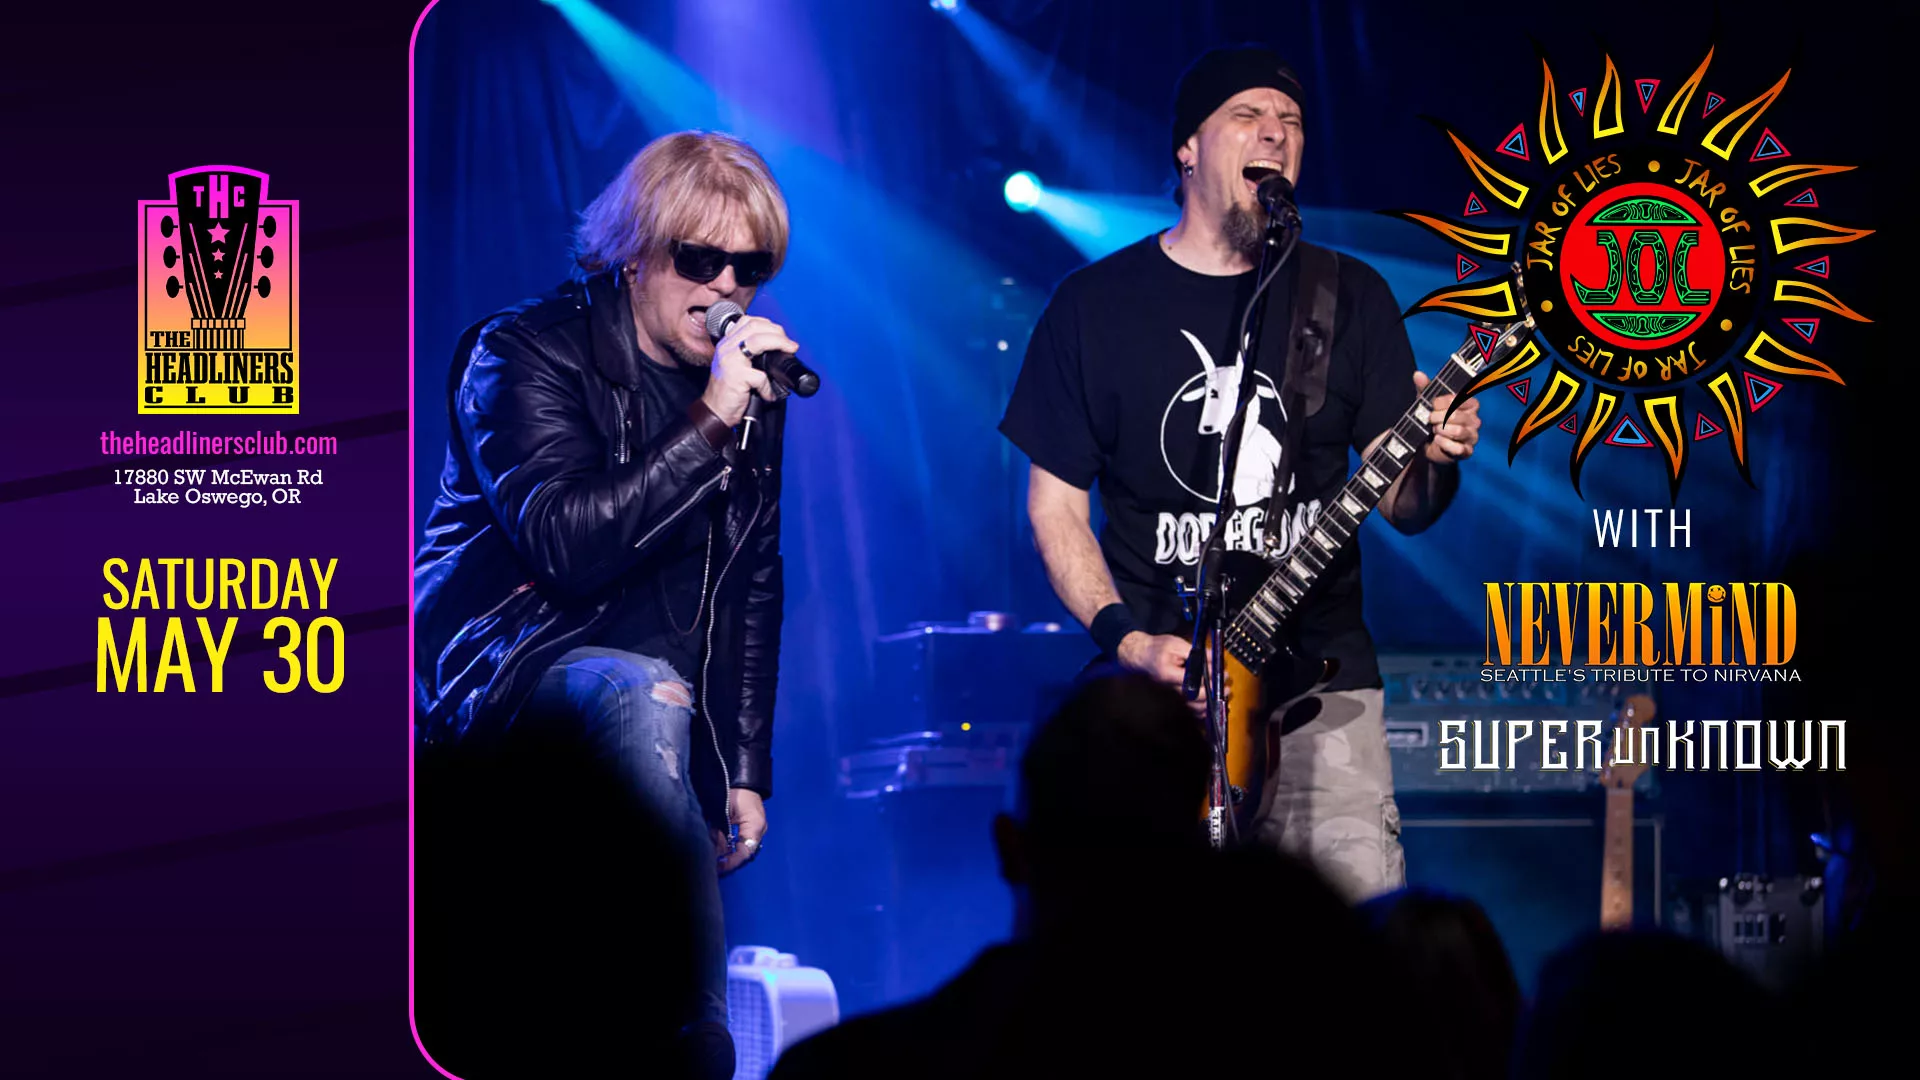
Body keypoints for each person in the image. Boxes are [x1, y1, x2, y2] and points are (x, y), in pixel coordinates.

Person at [999, 44, 1483, 901]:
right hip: (1160, 696)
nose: (1276, 134)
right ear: (1187, 148)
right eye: (1248, 116)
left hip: (1322, 688)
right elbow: (1055, 509)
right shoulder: (1093, 307)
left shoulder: (1348, 295)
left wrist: (1437, 459)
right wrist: (1128, 641)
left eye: (1292, 122)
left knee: (1343, 951)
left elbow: (1405, 504)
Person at [412, 130, 796, 1077]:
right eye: (699, 259)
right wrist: (714, 417)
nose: (725, 288)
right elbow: (569, 546)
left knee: (645, 697)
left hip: (655, 709)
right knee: (633, 686)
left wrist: (743, 765)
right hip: (511, 674)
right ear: (635, 253)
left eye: (748, 268)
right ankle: (689, 1040)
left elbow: (751, 576)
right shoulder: (521, 352)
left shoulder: (746, 393)